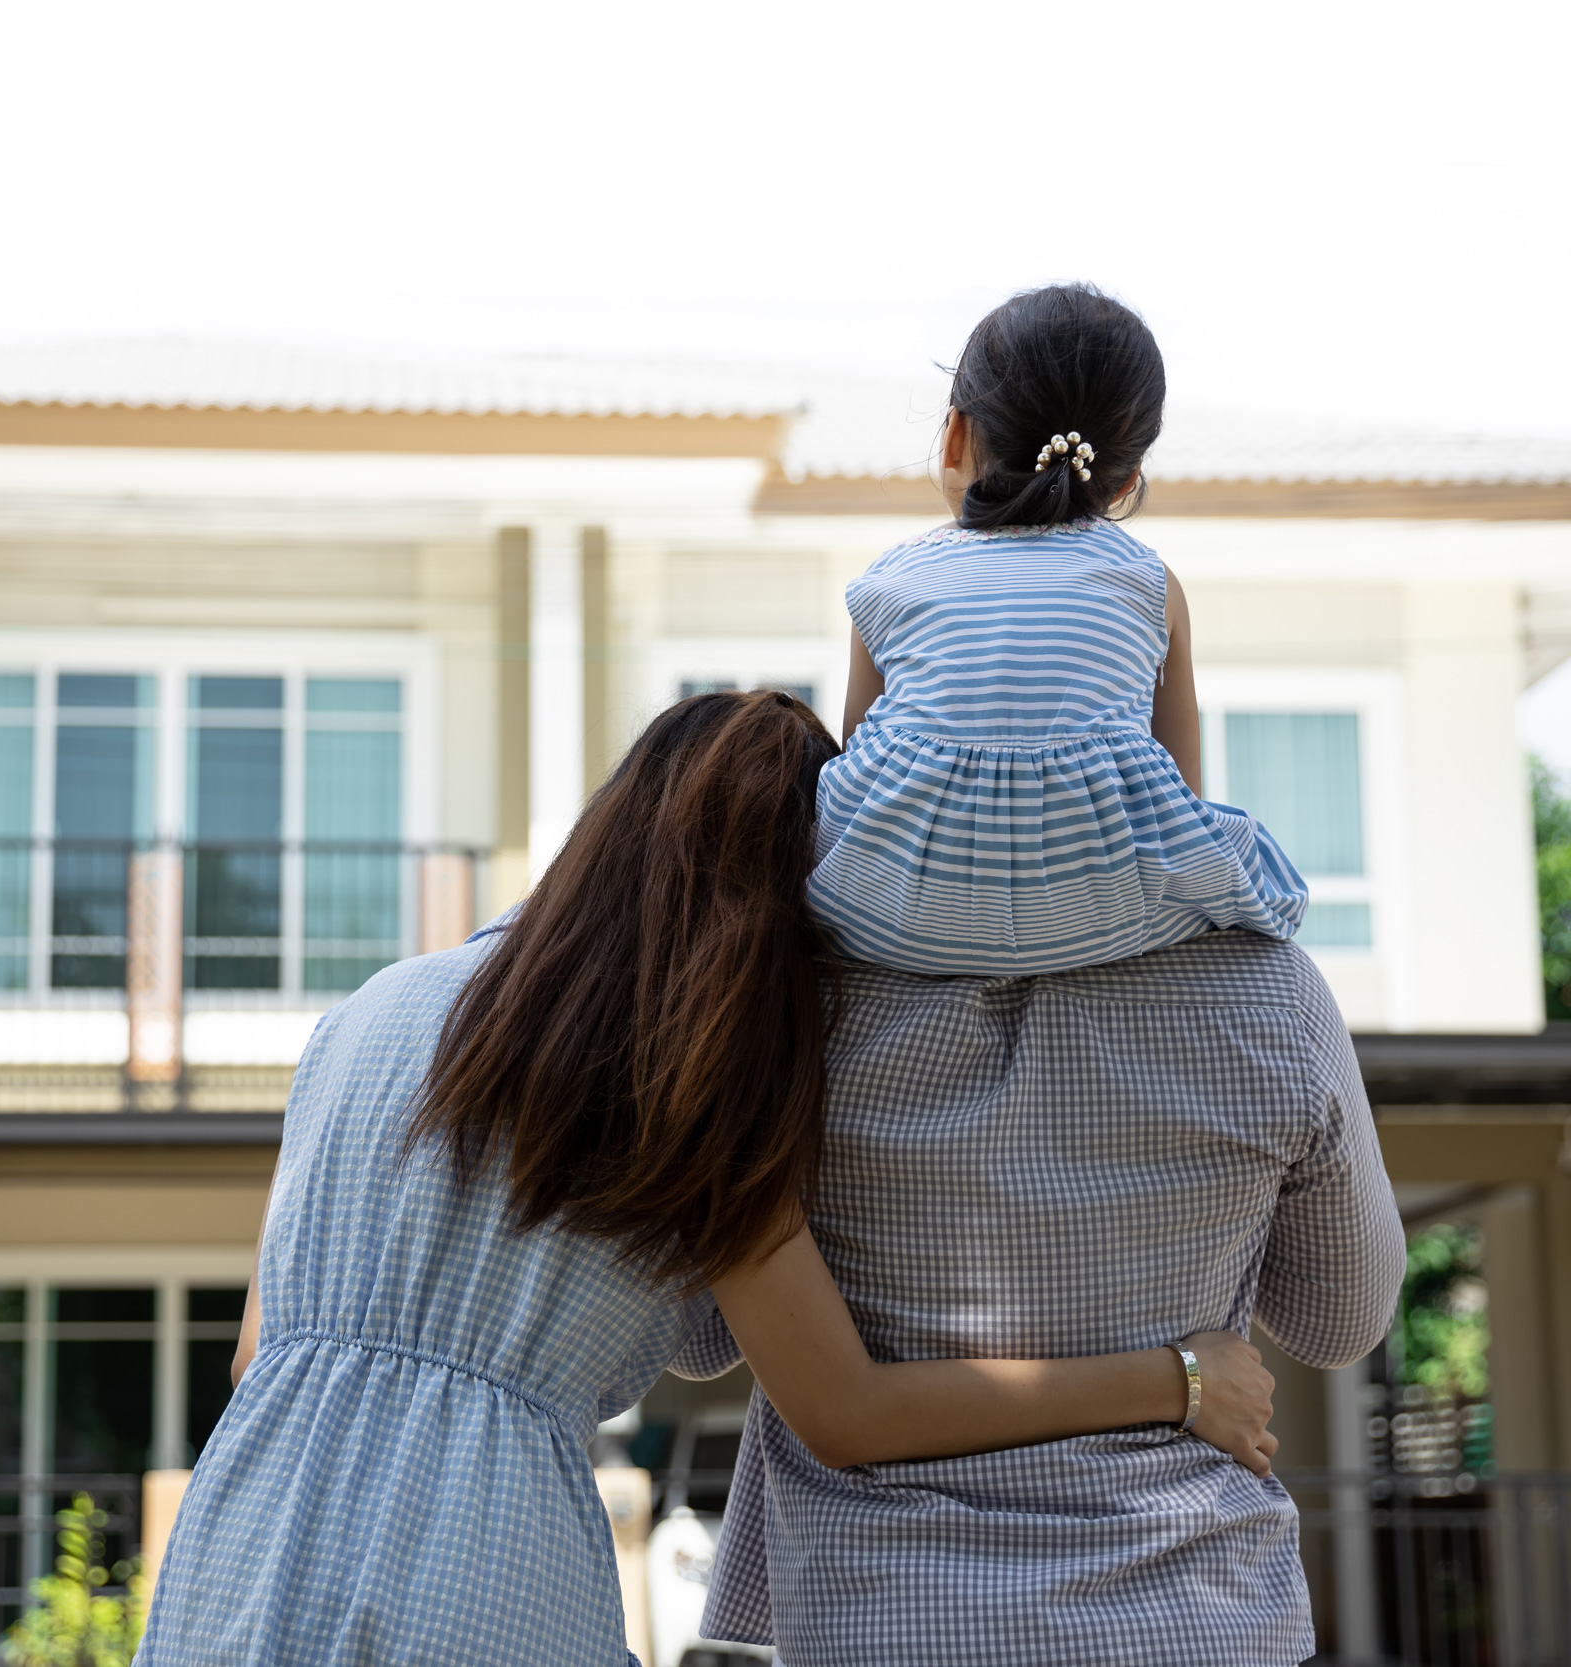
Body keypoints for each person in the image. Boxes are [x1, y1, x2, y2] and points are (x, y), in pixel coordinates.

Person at [133, 692, 1282, 1667]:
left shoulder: (369, 1008)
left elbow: (253, 1355)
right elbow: (845, 1410)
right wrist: (1179, 1378)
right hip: (481, 1568)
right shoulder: (690, 1074)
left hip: (238, 1550)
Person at [691, 288, 1407, 1666]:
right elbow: (1339, 1316)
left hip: (883, 1622)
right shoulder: (1269, 1003)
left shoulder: (784, 1012)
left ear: (955, 434)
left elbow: (702, 1337)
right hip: (1193, 1619)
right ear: (1132, 477)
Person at [808, 282, 1308, 977]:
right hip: (1109, 912)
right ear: (1128, 477)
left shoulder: (890, 582)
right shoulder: (1150, 584)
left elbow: (858, 774)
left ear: (954, 435)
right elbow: (1181, 794)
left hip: (890, 918)